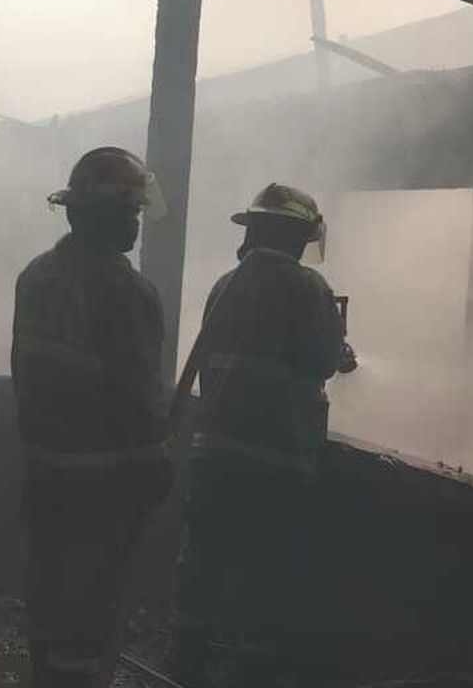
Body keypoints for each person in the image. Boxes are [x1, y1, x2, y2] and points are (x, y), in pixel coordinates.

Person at [11, 147, 175, 688]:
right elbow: (140, 394)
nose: (135, 223)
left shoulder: (35, 277)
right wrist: (157, 464)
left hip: (43, 472)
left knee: (49, 601)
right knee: (92, 613)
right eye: (130, 212)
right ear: (105, 217)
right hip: (105, 485)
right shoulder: (125, 291)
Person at [171, 182, 346, 685]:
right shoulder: (311, 289)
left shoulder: (225, 284)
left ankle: (186, 661)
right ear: (299, 238)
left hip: (212, 450)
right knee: (266, 571)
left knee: (201, 561)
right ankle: (253, 670)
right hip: (277, 455)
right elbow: (324, 359)